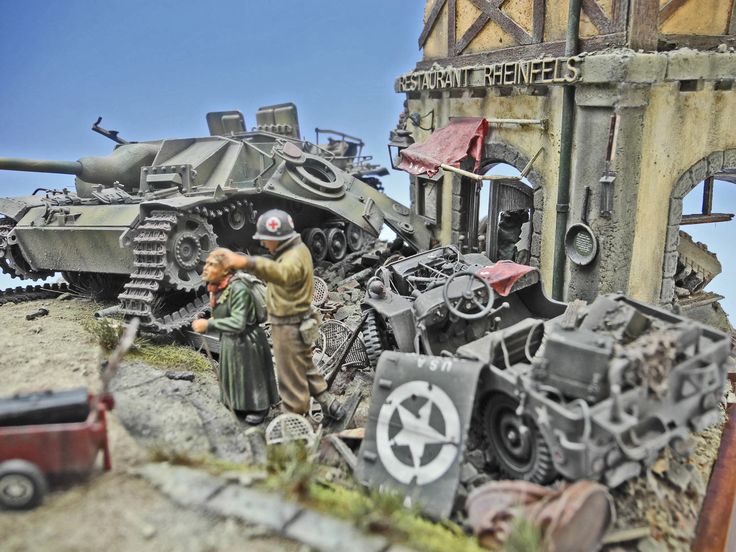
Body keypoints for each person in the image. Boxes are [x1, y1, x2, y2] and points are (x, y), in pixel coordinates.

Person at [211, 209, 346, 420]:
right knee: (305, 365)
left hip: (289, 323)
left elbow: (283, 274)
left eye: (266, 239)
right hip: (297, 319)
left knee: (289, 375)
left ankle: (293, 421)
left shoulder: (294, 256)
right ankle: (330, 404)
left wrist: (247, 263)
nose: (264, 244)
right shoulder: (294, 250)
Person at [192, 249, 279, 424]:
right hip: (230, 340)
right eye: (206, 264)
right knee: (234, 374)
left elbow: (239, 323)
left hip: (247, 341)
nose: (206, 268)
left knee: (250, 375)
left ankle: (259, 407)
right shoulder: (218, 287)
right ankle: (237, 403)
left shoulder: (239, 289)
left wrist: (208, 325)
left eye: (211, 265)